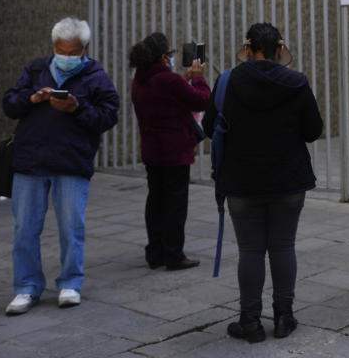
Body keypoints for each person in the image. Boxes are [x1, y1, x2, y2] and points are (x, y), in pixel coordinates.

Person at [203, 22, 323, 343]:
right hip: (289, 180)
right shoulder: (297, 82)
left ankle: (250, 321)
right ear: (280, 50)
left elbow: (208, 126)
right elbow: (313, 130)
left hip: (241, 182)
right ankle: (284, 316)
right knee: (283, 247)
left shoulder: (228, 82)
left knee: (251, 250)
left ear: (246, 50)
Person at [1, 17, 120, 315]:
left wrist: (77, 108)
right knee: (24, 228)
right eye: (61, 50)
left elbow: (108, 116)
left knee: (71, 226)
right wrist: (31, 98)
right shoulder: (36, 69)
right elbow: (10, 104)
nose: (66, 57)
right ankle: (26, 287)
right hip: (31, 160)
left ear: (85, 48)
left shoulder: (96, 76)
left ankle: (70, 283)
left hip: (71, 161)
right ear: (53, 46)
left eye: (73, 51)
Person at [129, 32, 210, 271]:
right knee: (175, 204)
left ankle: (155, 252)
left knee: (155, 202)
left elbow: (167, 99)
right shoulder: (168, 81)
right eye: (171, 54)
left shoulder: (140, 79)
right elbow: (202, 100)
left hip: (152, 152)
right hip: (175, 152)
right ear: (164, 57)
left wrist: (184, 79)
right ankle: (174, 254)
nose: (173, 58)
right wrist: (198, 79)